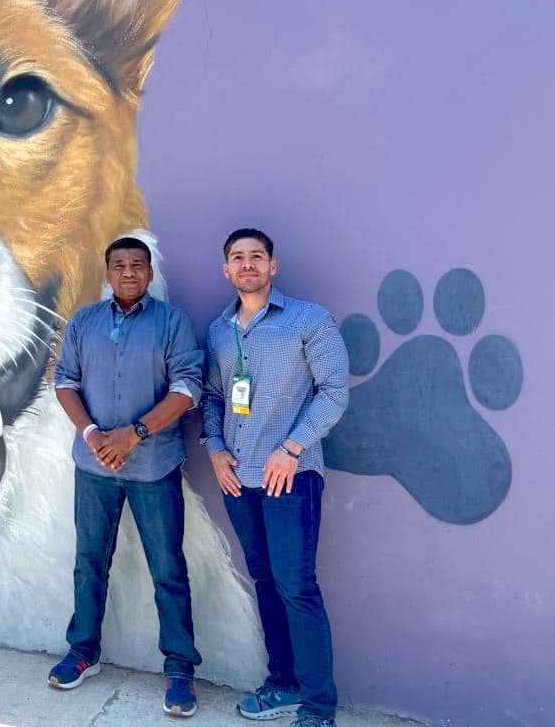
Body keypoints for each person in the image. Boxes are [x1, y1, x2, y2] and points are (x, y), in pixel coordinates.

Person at [48, 237, 205, 718]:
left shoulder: (172, 323)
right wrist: (95, 434)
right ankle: (83, 652)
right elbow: (65, 382)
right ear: (108, 272)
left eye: (138, 265)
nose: (129, 272)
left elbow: (187, 387)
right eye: (120, 265)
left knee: (168, 569)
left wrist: (133, 434)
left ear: (150, 272)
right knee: (89, 560)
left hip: (153, 465)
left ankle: (180, 669)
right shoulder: (85, 322)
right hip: (94, 465)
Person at [201, 229, 349, 727]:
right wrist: (215, 450)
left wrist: (291, 448)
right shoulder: (219, 330)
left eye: (256, 257)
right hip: (239, 480)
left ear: (273, 266)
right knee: (264, 580)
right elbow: (215, 397)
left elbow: (333, 391)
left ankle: (318, 707)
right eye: (237, 258)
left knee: (297, 587)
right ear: (225, 270)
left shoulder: (309, 320)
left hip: (292, 478)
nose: (247, 265)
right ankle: (282, 683)